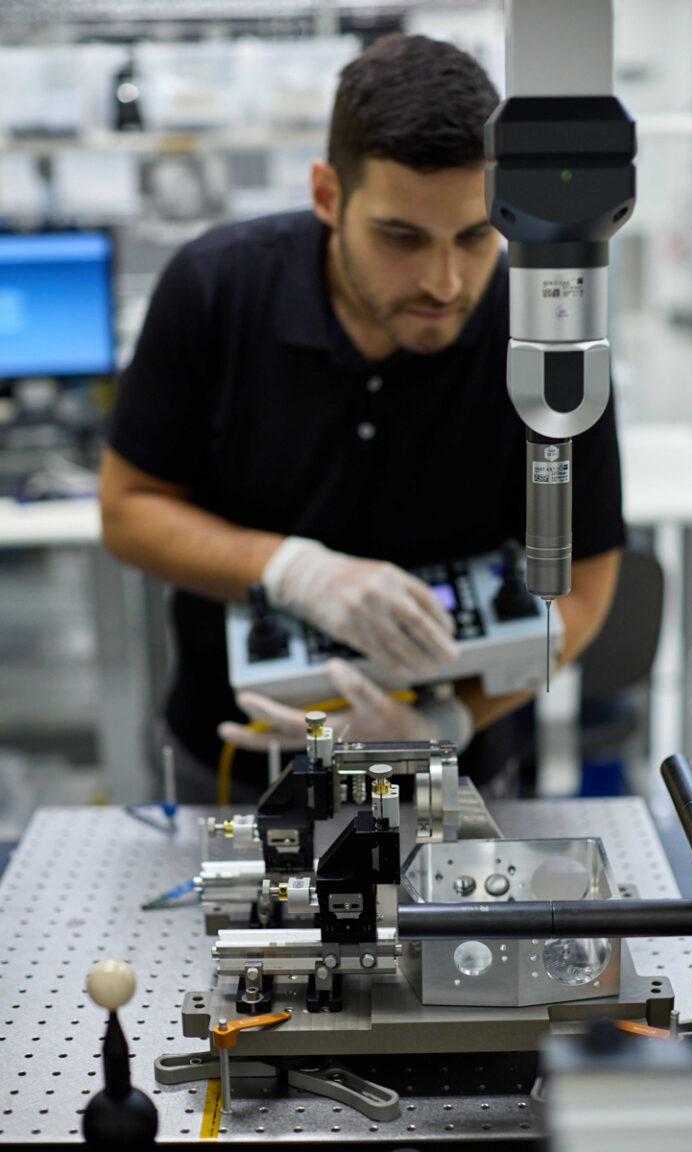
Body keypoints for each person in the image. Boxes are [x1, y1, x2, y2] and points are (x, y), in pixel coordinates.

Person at [100, 33, 624, 801]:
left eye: (477, 237)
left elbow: (583, 583)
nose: (444, 283)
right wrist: (291, 570)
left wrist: (448, 718)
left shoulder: (547, 334)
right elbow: (128, 510)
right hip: (241, 766)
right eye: (401, 238)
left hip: (458, 769)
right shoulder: (215, 290)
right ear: (327, 195)